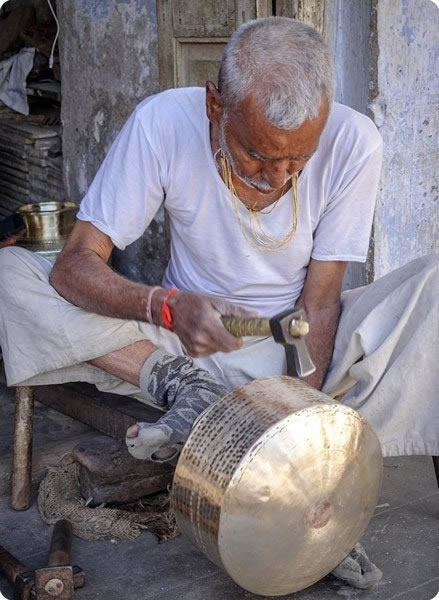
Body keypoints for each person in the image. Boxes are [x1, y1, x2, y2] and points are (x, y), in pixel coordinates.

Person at [0, 17, 437, 590]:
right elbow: (74, 264)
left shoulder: (356, 142)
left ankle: (264, 424)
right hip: (180, 342)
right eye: (257, 154)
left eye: (296, 161)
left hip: (295, 343)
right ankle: (185, 390)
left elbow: (323, 302)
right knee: (10, 271)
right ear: (214, 104)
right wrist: (164, 305)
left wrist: (296, 428)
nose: (278, 178)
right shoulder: (163, 122)